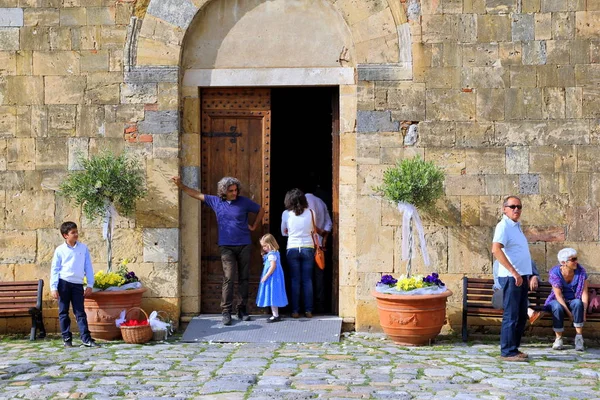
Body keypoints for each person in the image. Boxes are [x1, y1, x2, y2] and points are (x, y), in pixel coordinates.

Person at [172, 176, 265, 326]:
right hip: (226, 246)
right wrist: (180, 185)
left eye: (236, 190)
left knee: (244, 278)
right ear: (224, 191)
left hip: (244, 245)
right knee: (228, 278)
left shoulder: (244, 202)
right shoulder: (216, 201)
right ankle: (226, 312)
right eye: (231, 191)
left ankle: (242, 310)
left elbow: (261, 209)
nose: (234, 193)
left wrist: (254, 226)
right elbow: (196, 194)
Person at [491, 196, 532, 361]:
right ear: (504, 209)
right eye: (513, 206)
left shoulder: (516, 227)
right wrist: (513, 272)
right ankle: (507, 351)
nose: (517, 209)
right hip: (511, 277)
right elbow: (496, 249)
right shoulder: (503, 226)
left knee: (521, 315)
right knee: (511, 314)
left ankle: (514, 349)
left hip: (521, 277)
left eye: (519, 207)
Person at [50, 221, 100, 348]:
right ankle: (66, 338)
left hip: (77, 284)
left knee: (80, 312)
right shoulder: (60, 250)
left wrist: (90, 284)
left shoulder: (83, 248)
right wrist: (53, 287)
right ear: (65, 235)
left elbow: (88, 266)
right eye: (73, 232)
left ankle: (86, 338)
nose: (76, 234)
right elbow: (55, 269)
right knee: (63, 312)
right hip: (64, 283)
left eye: (76, 231)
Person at [281, 188, 324, 318]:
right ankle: (308, 310)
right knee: (307, 280)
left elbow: (283, 232)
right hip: (308, 248)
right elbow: (313, 230)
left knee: (295, 280)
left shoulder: (286, 214)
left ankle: (295, 311)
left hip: (292, 248)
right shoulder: (311, 213)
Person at [544, 248, 589, 351]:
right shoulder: (555, 273)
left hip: (573, 300)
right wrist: (569, 314)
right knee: (557, 307)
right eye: (573, 259)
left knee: (578, 303)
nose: (576, 261)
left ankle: (579, 338)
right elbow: (558, 296)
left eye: (576, 258)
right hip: (557, 300)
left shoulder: (581, 272)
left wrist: (584, 312)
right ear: (564, 262)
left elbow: (584, 294)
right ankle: (558, 338)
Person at [492, 260, 544, 324]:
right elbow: (500, 285)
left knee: (516, 307)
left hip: (520, 296)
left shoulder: (528, 260)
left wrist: (534, 277)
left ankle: (529, 313)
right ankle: (530, 312)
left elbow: (537, 276)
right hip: (501, 297)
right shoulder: (498, 262)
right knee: (512, 295)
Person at [305, 191, 332, 314]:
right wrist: (324, 236)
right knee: (319, 276)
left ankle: (308, 306)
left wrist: (318, 231)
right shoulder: (321, 202)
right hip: (320, 246)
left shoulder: (306, 200)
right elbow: (329, 224)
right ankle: (320, 305)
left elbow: (310, 223)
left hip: (309, 244)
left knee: (307, 277)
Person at [256, 234, 288, 323]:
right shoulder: (276, 252)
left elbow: (273, 266)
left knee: (272, 295)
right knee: (273, 295)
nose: (264, 248)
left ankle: (275, 315)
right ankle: (275, 314)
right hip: (275, 277)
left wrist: (266, 276)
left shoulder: (271, 255)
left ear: (270, 244)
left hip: (272, 278)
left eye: (265, 246)